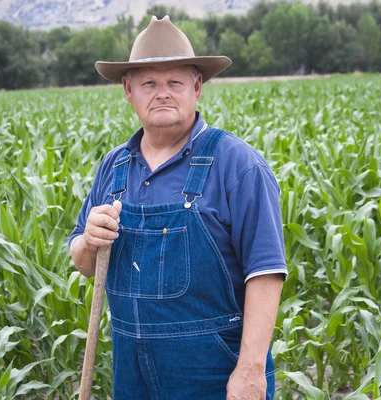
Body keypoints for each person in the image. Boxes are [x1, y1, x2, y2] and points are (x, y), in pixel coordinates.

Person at [68, 15, 287, 400]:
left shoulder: (237, 163)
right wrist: (89, 240)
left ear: (197, 87)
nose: (162, 93)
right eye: (149, 83)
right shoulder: (114, 167)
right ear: (128, 89)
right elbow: (83, 262)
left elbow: (266, 272)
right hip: (131, 373)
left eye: (175, 82)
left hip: (213, 374)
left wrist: (251, 370)